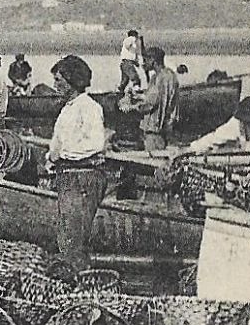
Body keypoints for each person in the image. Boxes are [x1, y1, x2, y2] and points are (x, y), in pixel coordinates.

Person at [45, 55, 108, 275]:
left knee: (75, 237)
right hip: (68, 176)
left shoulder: (89, 107)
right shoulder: (67, 109)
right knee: (66, 236)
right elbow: (57, 142)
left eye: (59, 81)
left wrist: (62, 154)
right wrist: (50, 161)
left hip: (83, 177)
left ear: (73, 81)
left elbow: (95, 144)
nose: (55, 86)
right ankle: (72, 275)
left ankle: (78, 278)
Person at [121, 46, 180, 153]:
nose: (144, 64)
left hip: (154, 131)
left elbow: (150, 103)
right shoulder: (169, 75)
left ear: (153, 60)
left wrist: (131, 108)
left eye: (146, 60)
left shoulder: (159, 78)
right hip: (164, 129)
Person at [118, 29, 144, 96]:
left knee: (125, 80)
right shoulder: (130, 39)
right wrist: (135, 40)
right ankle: (136, 88)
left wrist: (136, 63)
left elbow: (132, 54)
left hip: (124, 63)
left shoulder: (132, 45)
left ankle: (120, 90)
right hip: (128, 64)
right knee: (135, 77)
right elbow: (127, 44)